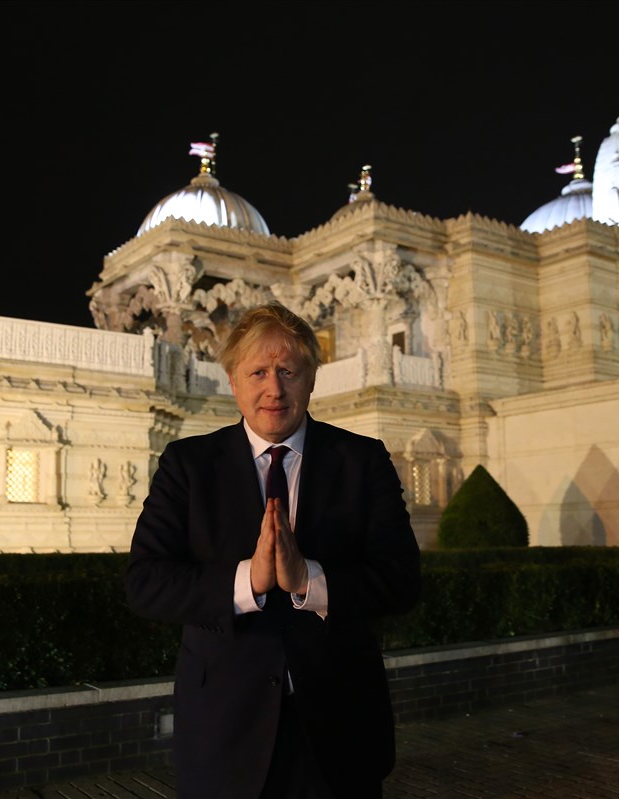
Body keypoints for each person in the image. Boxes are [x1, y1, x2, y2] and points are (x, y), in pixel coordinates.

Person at [125, 302, 421, 799]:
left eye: (289, 371)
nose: (274, 388)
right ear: (233, 381)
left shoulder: (362, 461)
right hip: (223, 729)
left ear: (311, 379)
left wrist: (310, 581)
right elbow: (145, 582)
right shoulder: (189, 465)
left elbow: (403, 579)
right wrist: (249, 582)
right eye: (258, 371)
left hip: (339, 728)